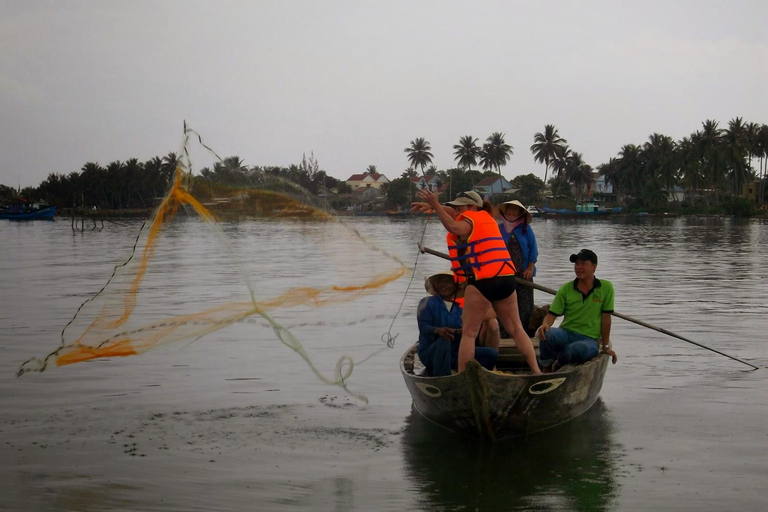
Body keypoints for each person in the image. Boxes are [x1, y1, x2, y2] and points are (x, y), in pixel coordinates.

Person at [417, 189, 541, 375]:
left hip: (484, 281)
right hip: (506, 279)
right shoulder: (487, 218)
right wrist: (434, 207)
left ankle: (461, 375)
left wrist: (435, 205)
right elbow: (452, 214)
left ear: (472, 207)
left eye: (460, 208)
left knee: (469, 333)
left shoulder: (470, 221)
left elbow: (454, 228)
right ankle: (536, 371)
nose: (456, 212)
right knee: (516, 329)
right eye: (456, 209)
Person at [536, 249, 618, 372]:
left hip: (589, 339)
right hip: (566, 332)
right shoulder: (566, 288)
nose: (578, 267)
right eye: (576, 264)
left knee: (577, 350)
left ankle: (559, 363)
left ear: (594, 267)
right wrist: (545, 324)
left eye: (583, 264)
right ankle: (546, 367)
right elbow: (552, 314)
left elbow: (606, 318)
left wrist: (606, 346)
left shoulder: (606, 288)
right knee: (547, 334)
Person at [417, 271, 499, 376]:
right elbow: (423, 327)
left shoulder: (460, 310)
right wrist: (438, 331)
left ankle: (481, 377)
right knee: (444, 341)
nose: (443, 285)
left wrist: (461, 331)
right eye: (441, 282)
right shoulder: (427, 302)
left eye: (448, 282)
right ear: (436, 286)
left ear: (456, 286)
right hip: (431, 353)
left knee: (491, 354)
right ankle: (443, 377)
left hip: (453, 354)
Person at [497, 200, 538, 334]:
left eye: (516, 210)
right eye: (510, 209)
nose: (512, 212)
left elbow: (533, 249)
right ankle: (504, 332)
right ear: (505, 210)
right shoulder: (499, 228)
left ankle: (524, 332)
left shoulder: (525, 229)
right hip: (503, 274)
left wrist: (530, 268)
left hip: (523, 273)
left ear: (521, 213)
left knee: (524, 305)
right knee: (503, 304)